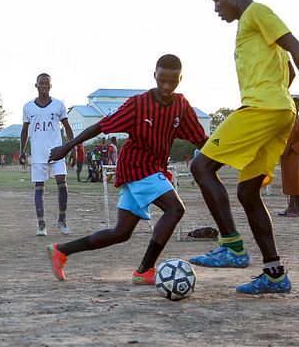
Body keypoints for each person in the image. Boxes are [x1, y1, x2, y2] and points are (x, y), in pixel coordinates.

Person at [190, 0, 299, 294]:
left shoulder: (256, 12)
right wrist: (283, 94)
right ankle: (274, 274)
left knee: (200, 165)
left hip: (263, 108)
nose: (216, 8)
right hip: (279, 111)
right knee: (247, 192)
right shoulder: (250, 27)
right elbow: (290, 70)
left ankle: (231, 246)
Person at [46, 54, 207, 284]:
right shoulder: (138, 104)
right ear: (154, 76)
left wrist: (230, 152)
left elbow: (200, 139)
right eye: (161, 79)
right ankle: (144, 270)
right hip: (137, 165)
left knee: (121, 232)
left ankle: (61, 250)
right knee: (175, 209)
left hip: (151, 168)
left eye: (172, 81)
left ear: (180, 79)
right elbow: (100, 126)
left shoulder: (181, 105)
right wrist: (67, 146)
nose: (166, 86)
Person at [21, 73, 74, 236]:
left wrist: (70, 147)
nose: (44, 85)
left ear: (51, 86)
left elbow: (67, 127)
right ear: (36, 85)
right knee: (39, 187)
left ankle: (62, 219)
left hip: (57, 151)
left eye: (47, 83)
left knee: (62, 183)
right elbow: (25, 130)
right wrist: (22, 150)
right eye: (41, 83)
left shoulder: (58, 105)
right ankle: (41, 224)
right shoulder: (28, 107)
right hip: (38, 153)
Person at [278, 98, 299, 217]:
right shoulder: (286, 122)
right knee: (289, 181)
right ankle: (291, 207)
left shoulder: (298, 122)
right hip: (285, 156)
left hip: (293, 156)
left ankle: (296, 209)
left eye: (296, 106)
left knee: (295, 182)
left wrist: (292, 149)